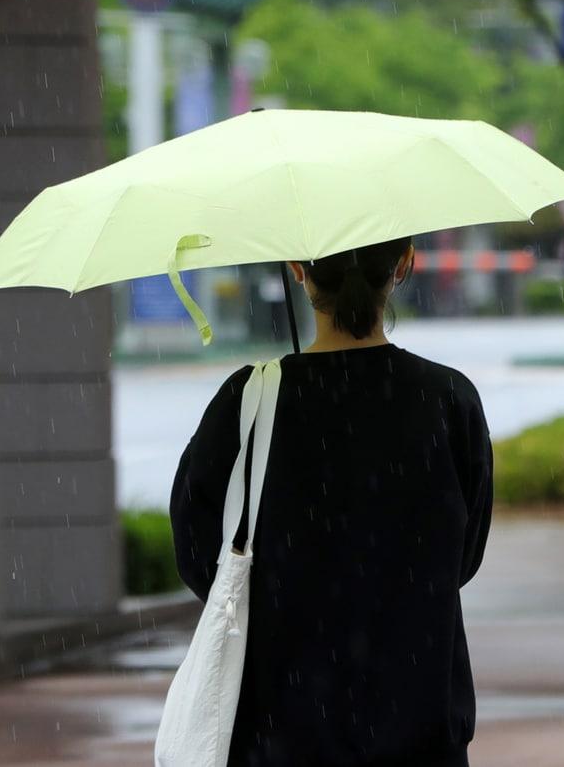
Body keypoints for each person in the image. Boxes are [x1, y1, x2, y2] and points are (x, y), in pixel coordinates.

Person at [170, 236, 493, 767]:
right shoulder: (449, 400)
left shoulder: (248, 403)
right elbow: (464, 556)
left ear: (297, 268)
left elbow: (196, 549)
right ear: (405, 262)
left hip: (277, 730)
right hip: (422, 724)